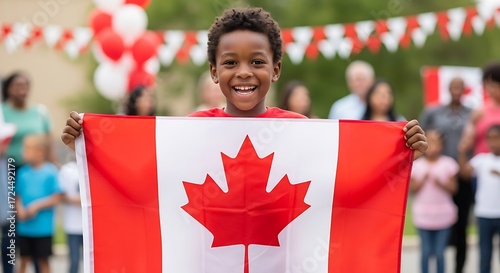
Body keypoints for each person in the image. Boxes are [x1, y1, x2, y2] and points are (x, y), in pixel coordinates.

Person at [61, 7, 427, 164]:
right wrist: (89, 142)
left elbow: (348, 178)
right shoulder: (193, 129)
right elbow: (140, 171)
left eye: (257, 62)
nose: (244, 73)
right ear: (214, 71)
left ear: (277, 69)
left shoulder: (301, 130)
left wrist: (398, 150)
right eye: (230, 63)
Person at [419, 77, 473, 273]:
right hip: (438, 170)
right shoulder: (434, 112)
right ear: (448, 89)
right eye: (453, 86)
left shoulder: (471, 113)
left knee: (462, 226)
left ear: (464, 89)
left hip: (461, 174)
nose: (457, 90)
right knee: (438, 219)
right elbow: (422, 133)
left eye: (460, 86)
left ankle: (459, 267)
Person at [1, 72, 52, 273]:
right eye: (17, 85)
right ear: (8, 89)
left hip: (37, 173)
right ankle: (9, 268)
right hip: (10, 171)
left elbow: (48, 145)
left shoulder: (40, 112)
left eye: (26, 84)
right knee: (11, 225)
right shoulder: (2, 111)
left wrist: (50, 169)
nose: (22, 88)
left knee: (34, 219)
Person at [410, 130, 458, 273]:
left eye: (436, 142)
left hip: (443, 215)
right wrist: (423, 180)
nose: (432, 146)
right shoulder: (417, 165)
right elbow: (413, 189)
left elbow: (454, 188)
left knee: (439, 253)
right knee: (425, 252)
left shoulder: (449, 164)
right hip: (423, 215)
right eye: (429, 141)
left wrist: (441, 183)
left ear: (442, 145)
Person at [15, 134, 62, 273]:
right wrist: (19, 210)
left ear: (40, 152)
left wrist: (36, 206)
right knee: (23, 259)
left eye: (27, 149)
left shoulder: (50, 172)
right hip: (25, 228)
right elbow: (17, 196)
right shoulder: (22, 172)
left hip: (43, 229)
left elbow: (57, 197)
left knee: (43, 260)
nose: (23, 152)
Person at [458, 124, 500, 273]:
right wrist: (462, 152)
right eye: (490, 139)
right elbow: (465, 173)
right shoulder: (482, 160)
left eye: (497, 138)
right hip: (484, 214)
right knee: (485, 254)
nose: (493, 143)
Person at [460, 62, 500, 156]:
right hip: (481, 162)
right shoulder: (480, 111)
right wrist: (472, 123)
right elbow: (467, 143)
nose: (490, 89)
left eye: (494, 85)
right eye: (487, 85)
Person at [59, 153, 82, 273]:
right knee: (74, 260)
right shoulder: (67, 170)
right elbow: (61, 195)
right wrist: (82, 200)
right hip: (73, 225)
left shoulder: (96, 167)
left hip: (93, 225)